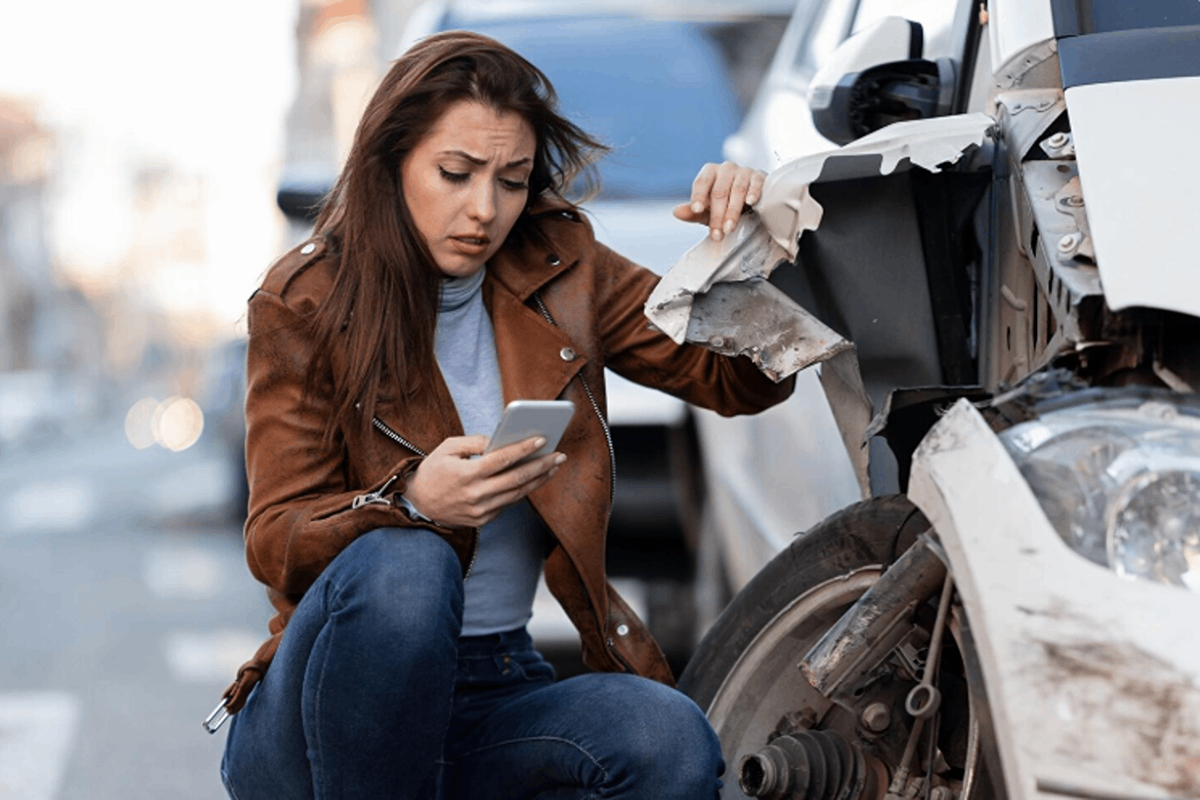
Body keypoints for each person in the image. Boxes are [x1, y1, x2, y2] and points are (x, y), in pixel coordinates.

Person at [218, 30, 794, 800]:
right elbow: (275, 538)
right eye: (454, 173)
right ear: (391, 165)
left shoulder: (562, 267)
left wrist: (748, 249)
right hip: (321, 717)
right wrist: (413, 502)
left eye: (513, 180)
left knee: (667, 737)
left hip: (496, 684)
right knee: (408, 564)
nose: (484, 210)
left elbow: (738, 384)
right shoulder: (306, 300)